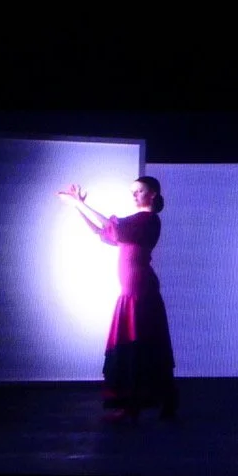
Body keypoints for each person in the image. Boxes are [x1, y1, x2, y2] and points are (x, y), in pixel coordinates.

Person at [56, 176, 178, 424]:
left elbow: (115, 227)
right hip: (130, 291)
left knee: (140, 345)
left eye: (139, 191)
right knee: (134, 346)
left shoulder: (148, 220)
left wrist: (80, 204)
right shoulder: (133, 223)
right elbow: (103, 231)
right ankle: (135, 404)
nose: (133, 195)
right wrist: (77, 208)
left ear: (152, 194)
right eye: (132, 191)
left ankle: (144, 404)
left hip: (140, 291)